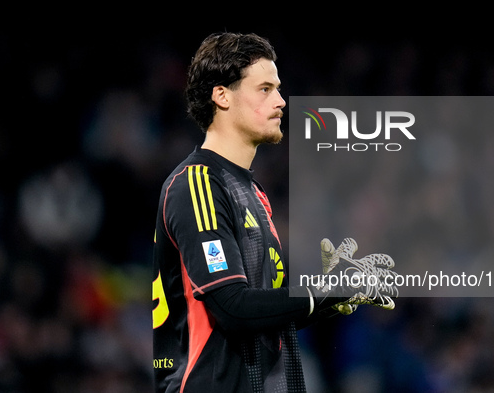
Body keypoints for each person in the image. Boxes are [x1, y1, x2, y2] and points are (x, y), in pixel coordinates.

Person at [152, 32, 398, 392]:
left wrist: (337, 294)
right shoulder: (198, 185)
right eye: (265, 89)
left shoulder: (253, 193)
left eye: (278, 89)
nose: (281, 101)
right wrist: (323, 290)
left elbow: (265, 314)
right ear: (222, 96)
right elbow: (232, 307)